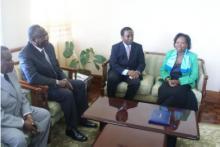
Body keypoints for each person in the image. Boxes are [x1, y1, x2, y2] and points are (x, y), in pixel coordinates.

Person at [19, 25, 97, 142]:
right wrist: (58, 82)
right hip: (43, 88)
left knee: (80, 84)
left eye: (46, 34)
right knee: (67, 94)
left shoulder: (49, 46)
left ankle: (82, 119)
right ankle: (71, 129)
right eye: (43, 36)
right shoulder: (25, 54)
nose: (47, 37)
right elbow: (33, 77)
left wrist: (64, 80)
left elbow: (56, 66)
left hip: (57, 80)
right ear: (33, 40)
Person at [1, 46, 51, 147]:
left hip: (19, 110)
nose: (12, 62)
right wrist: (23, 123)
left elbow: (22, 96)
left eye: (11, 58)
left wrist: (28, 115)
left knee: (45, 115)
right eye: (9, 59)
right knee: (19, 140)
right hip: (4, 123)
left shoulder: (11, 72)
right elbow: (1, 117)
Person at [158, 33, 199, 147]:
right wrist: (168, 79)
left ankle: (166, 130)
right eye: (177, 42)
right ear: (174, 43)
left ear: (187, 44)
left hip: (184, 81)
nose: (180, 44)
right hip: (170, 80)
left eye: (183, 42)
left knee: (175, 96)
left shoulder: (192, 56)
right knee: (163, 91)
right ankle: (172, 129)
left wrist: (180, 81)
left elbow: (194, 75)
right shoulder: (170, 54)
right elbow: (162, 70)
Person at [107, 27, 145, 100]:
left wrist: (137, 72)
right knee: (111, 79)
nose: (131, 38)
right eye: (128, 36)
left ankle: (125, 103)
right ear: (122, 37)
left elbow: (142, 63)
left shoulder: (138, 47)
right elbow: (113, 63)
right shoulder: (115, 47)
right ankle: (111, 102)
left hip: (133, 72)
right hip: (118, 71)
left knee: (135, 83)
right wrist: (127, 72)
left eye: (132, 36)